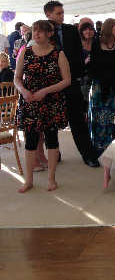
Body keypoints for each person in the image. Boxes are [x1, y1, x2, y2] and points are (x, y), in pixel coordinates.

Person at [14, 20, 70, 193]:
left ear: (49, 33)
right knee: (30, 141)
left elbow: (67, 80)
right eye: (34, 31)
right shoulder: (26, 52)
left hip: (51, 103)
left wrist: (45, 91)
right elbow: (17, 78)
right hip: (29, 101)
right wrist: (23, 90)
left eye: (40, 31)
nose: (36, 34)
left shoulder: (58, 54)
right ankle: (29, 180)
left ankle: (51, 179)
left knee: (52, 140)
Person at [44, 1, 100, 167]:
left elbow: (77, 54)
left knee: (77, 120)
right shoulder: (41, 31)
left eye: (62, 12)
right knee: (51, 122)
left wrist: (76, 74)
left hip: (72, 82)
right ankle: (54, 153)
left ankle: (88, 155)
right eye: (58, 13)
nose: (62, 15)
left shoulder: (70, 30)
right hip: (50, 84)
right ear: (48, 14)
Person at [87, 18, 115, 154]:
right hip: (99, 84)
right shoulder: (96, 43)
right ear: (109, 28)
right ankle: (98, 147)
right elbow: (93, 65)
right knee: (98, 115)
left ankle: (114, 146)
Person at [79, 19, 95, 120]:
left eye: (90, 29)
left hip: (95, 76)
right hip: (82, 78)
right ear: (81, 32)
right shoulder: (78, 45)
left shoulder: (97, 43)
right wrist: (85, 61)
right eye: (85, 30)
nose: (88, 32)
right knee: (83, 104)